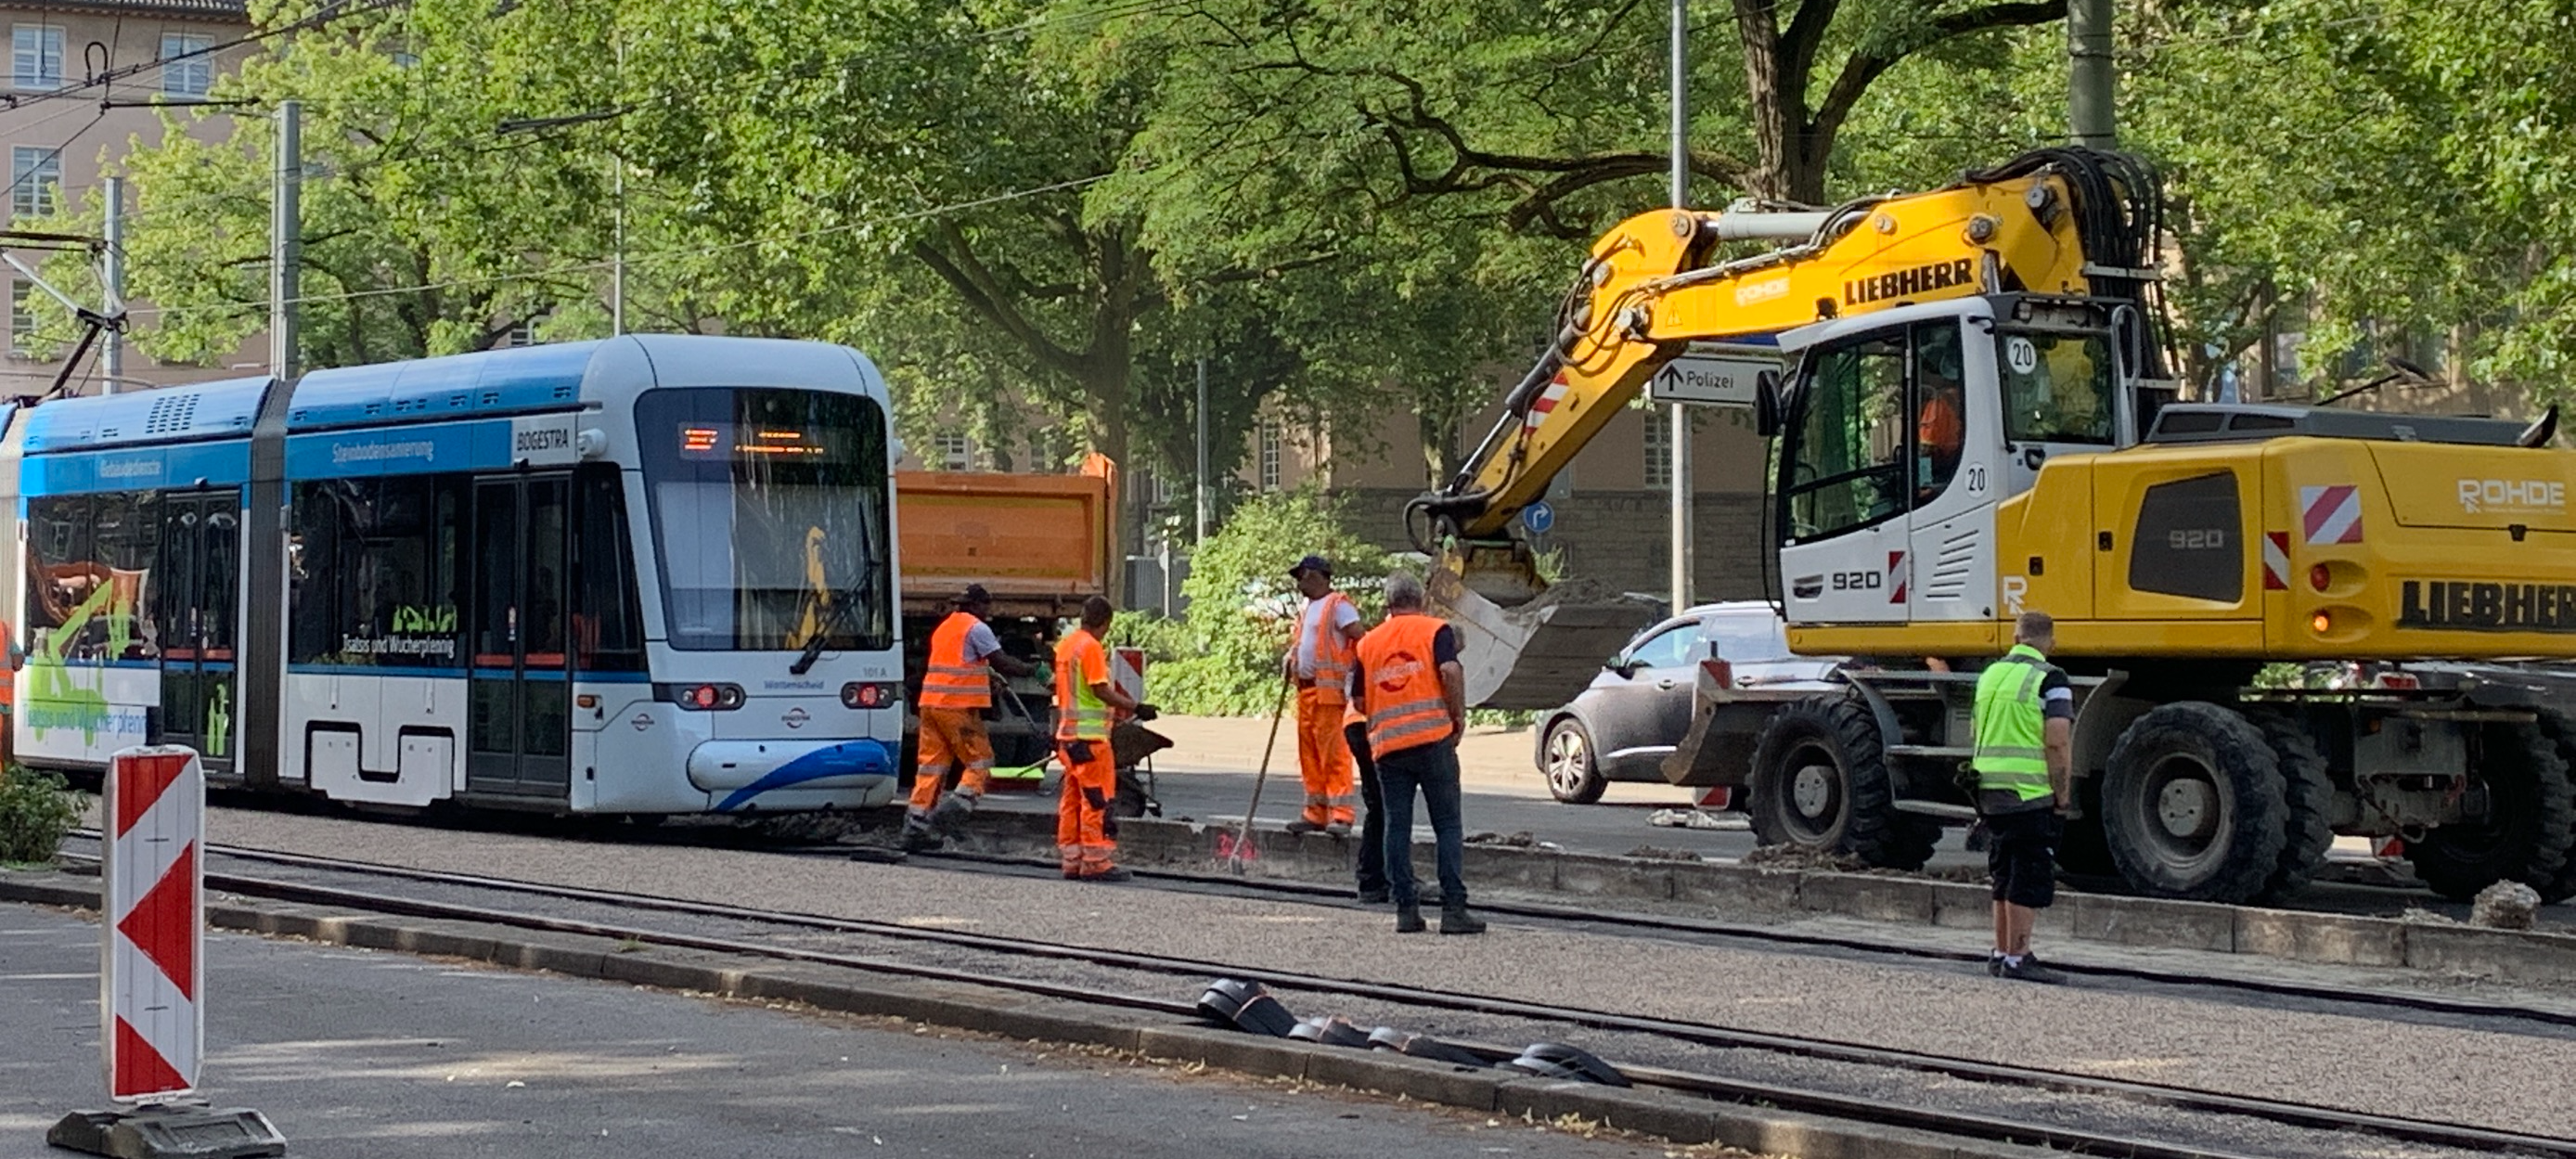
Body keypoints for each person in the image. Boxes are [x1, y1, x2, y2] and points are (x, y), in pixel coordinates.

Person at [1349, 573, 1483, 934]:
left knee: (1397, 825)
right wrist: (1458, 717)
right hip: (1433, 740)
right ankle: (1454, 909)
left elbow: (1359, 700)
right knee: (1447, 825)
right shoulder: (1435, 630)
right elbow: (1450, 671)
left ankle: (1406, 910)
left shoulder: (1368, 643)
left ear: (1388, 604)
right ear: (1420, 599)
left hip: (1389, 747)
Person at [1970, 611, 2074, 984]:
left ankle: (2000, 954)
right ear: (2051, 643)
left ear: (2016, 639)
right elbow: (2057, 741)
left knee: (2002, 872)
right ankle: (2019, 957)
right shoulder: (2051, 678)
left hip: (1988, 791)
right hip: (2029, 793)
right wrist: (2062, 796)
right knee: (2027, 874)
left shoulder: (1990, 675)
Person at [904, 583, 1035, 850]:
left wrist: (987, 679)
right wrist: (1033, 670)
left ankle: (915, 826)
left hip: (931, 705)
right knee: (981, 762)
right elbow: (1003, 662)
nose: (988, 611)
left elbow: (959, 664)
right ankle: (949, 815)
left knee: (932, 766)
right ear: (976, 605)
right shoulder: (977, 628)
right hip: (956, 707)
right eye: (986, 605)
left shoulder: (946, 627)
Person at [1053, 595, 1153, 882]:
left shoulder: (1067, 645)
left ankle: (1072, 859)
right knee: (1097, 800)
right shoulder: (1091, 648)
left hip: (1068, 739)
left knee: (1072, 801)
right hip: (1091, 741)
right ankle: (1096, 861)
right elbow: (1099, 690)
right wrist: (1136, 707)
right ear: (1105, 623)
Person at [1283, 554, 1364, 837]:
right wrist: (1291, 659)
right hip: (1306, 691)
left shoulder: (1338, 606)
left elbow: (1360, 638)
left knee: (1333, 755)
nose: (1298, 582)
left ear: (1315, 575)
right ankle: (1315, 812)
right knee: (1310, 755)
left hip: (1329, 693)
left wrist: (1357, 679)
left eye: (1300, 576)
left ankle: (1341, 815)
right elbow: (1305, 644)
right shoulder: (1308, 607)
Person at [1345, 695, 1388, 905]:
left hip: (1360, 722)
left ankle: (1376, 877)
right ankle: (1374, 879)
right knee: (1385, 806)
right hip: (1373, 723)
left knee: (1381, 805)